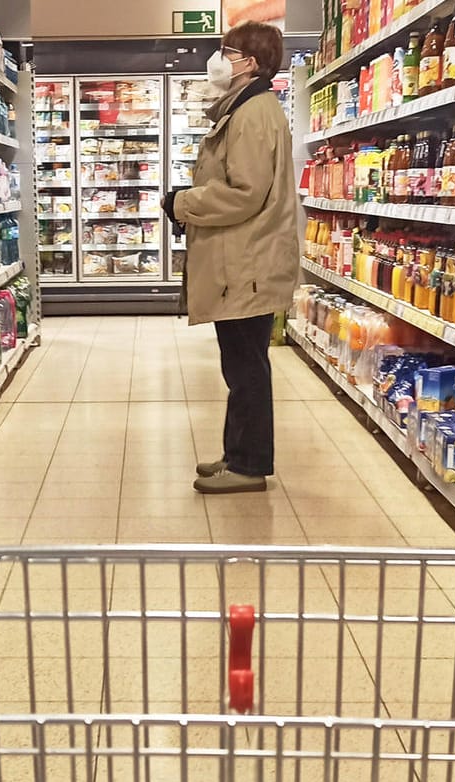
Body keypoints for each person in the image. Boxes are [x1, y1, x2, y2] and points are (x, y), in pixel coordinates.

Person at [164, 21, 300, 495]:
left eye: (226, 51)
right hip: (245, 260)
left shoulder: (253, 113)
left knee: (246, 368)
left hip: (249, 262)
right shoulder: (247, 108)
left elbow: (244, 193)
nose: (217, 60)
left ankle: (247, 466)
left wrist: (182, 202)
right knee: (241, 365)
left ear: (249, 63)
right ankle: (239, 453)